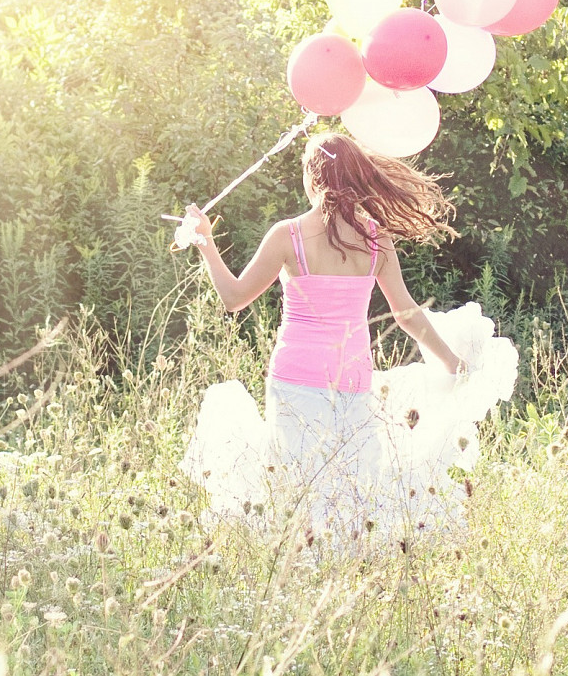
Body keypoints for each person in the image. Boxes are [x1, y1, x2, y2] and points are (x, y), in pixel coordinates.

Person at [178, 132, 517, 551]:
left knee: (297, 487)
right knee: (356, 488)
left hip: (294, 379)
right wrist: (452, 363)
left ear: (312, 177)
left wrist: (206, 243)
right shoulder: (376, 240)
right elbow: (406, 314)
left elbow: (233, 299)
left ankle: (298, 573)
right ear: (355, 177)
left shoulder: (287, 235)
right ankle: (341, 570)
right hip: (352, 380)